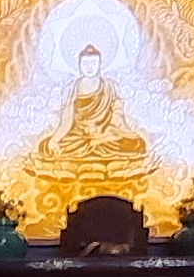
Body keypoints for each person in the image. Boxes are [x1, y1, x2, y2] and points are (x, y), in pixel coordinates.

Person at [33, 45, 156, 186]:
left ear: (100, 63)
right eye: (85, 63)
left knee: (137, 144)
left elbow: (118, 118)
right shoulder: (71, 88)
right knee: (45, 146)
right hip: (78, 137)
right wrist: (54, 140)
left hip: (106, 136)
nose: (89, 67)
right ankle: (98, 153)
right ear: (79, 65)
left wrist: (107, 131)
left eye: (93, 62)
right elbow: (66, 122)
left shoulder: (110, 87)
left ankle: (92, 150)